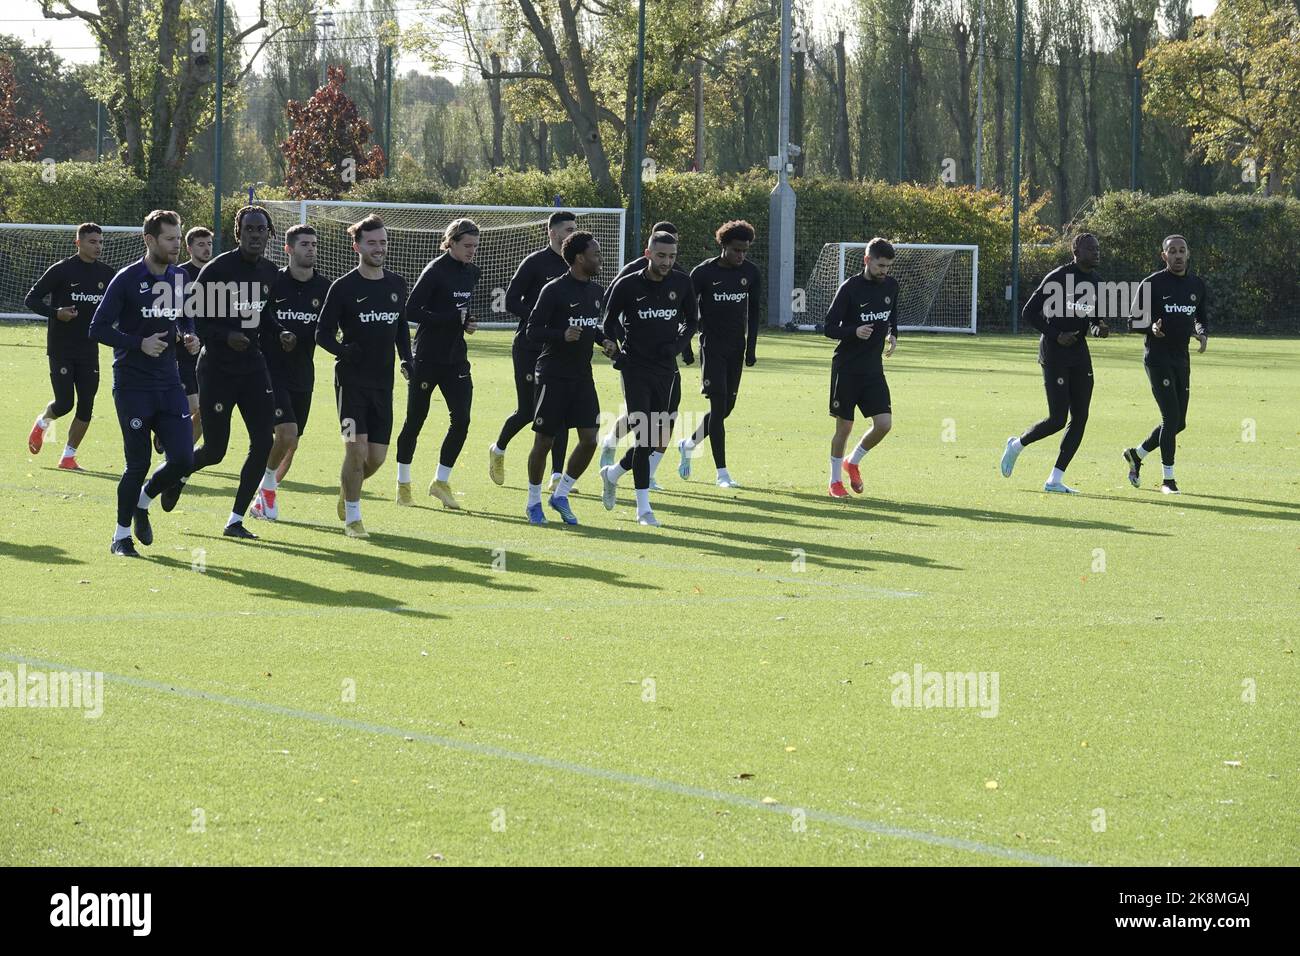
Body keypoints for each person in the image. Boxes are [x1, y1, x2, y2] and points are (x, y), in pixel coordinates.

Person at [157, 205, 296, 539]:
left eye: (261, 229)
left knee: (263, 442)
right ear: (238, 232)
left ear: (269, 234)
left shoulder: (269, 273)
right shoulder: (218, 269)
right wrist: (225, 335)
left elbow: (262, 315)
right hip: (217, 368)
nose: (255, 234)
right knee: (215, 451)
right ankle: (175, 474)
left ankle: (235, 520)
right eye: (249, 229)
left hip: (253, 368)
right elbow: (196, 319)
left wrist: (279, 332)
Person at [87, 210, 197, 556]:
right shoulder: (126, 279)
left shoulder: (179, 278)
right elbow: (98, 328)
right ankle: (121, 537)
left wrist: (189, 336)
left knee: (183, 460)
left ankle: (143, 501)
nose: (177, 245)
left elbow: (186, 318)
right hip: (133, 386)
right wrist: (139, 343)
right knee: (138, 462)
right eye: (170, 239)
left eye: (179, 238)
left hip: (169, 383)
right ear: (149, 241)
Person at [316, 215, 412, 538]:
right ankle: (353, 520)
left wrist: (407, 359)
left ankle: (347, 489)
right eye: (372, 242)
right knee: (355, 451)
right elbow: (322, 334)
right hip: (350, 384)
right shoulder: (342, 288)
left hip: (383, 385)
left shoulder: (397, 285)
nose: (379, 248)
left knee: (376, 458)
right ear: (357, 246)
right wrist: (344, 352)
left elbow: (400, 327)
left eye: (383, 242)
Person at [598, 231, 698, 526]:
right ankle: (643, 509)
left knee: (655, 438)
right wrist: (618, 355)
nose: (667, 261)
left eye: (672, 256)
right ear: (648, 253)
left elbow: (691, 321)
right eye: (661, 255)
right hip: (635, 369)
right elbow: (607, 323)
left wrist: (678, 346)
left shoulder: (682, 283)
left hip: (666, 370)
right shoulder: (627, 284)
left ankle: (613, 474)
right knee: (644, 435)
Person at [999, 233, 1109, 493]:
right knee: (1058, 419)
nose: (1096, 252)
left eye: (1098, 249)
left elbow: (1095, 321)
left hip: (1079, 354)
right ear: (1075, 251)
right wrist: (1056, 335)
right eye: (1090, 249)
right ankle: (1017, 445)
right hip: (1054, 353)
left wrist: (1099, 329)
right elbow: (1029, 312)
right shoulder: (1058, 277)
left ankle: (1055, 480)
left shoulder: (1097, 283)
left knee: (1080, 417)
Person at [522, 232, 618, 525]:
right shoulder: (553, 291)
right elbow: (532, 331)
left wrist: (604, 341)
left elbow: (592, 326)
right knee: (544, 442)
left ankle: (560, 494)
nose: (600, 259)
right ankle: (533, 501)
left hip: (582, 376)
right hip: (553, 375)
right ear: (579, 258)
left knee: (590, 440)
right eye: (596, 254)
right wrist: (560, 335)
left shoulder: (596, 291)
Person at [394, 218, 481, 510]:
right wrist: (449, 319)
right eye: (467, 245)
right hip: (427, 358)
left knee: (463, 419)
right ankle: (403, 484)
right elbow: (411, 310)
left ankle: (440, 482)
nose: (472, 251)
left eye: (475, 246)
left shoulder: (472, 272)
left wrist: (466, 323)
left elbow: (459, 311)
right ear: (451, 242)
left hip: (456, 358)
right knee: (415, 422)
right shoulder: (434, 271)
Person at [489, 210, 577, 488]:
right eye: (567, 230)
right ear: (552, 233)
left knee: (561, 412)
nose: (572, 234)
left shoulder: (576, 265)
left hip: (560, 349)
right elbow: (512, 300)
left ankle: (556, 475)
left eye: (575, 229)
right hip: (529, 346)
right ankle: (498, 449)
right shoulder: (535, 263)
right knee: (528, 411)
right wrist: (540, 318)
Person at [250, 224, 331, 520]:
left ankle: (264, 493)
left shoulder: (325, 288)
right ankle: (267, 492)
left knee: (291, 444)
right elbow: (256, 318)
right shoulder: (273, 282)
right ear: (289, 249)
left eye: (313, 244)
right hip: (270, 372)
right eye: (304, 244)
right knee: (286, 433)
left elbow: (330, 329)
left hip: (303, 374)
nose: (310, 249)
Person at [24, 222, 116, 471]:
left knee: (87, 404)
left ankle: (68, 457)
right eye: (92, 242)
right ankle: (43, 423)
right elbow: (31, 299)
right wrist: (56, 313)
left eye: (100, 242)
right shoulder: (62, 270)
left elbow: (120, 304)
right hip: (62, 348)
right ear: (78, 243)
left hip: (90, 349)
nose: (98, 246)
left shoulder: (107, 274)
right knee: (65, 404)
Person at [1122, 235, 1209, 495]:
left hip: (1181, 358)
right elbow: (1132, 322)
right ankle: (1168, 480)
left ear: (1188, 254)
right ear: (1164, 256)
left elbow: (1200, 316)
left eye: (1182, 250)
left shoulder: (1197, 284)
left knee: (1179, 423)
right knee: (1170, 417)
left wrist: (1201, 332)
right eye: (1172, 251)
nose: (1178, 255)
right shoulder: (1153, 284)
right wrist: (1151, 327)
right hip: (1157, 359)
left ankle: (1136, 455)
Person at [676, 220, 761, 488]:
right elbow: (685, 312)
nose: (741, 255)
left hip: (736, 347)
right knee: (717, 406)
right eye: (736, 250)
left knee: (726, 409)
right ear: (723, 246)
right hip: (711, 347)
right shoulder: (702, 273)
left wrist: (751, 348)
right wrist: (686, 346)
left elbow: (755, 312)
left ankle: (688, 444)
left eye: (745, 250)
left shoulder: (751, 272)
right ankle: (722, 473)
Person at [824, 237, 899, 498]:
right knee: (844, 428)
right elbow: (829, 328)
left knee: (884, 424)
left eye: (888, 266)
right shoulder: (850, 288)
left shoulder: (891, 285)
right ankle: (834, 481)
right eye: (880, 265)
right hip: (846, 368)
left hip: (873, 369)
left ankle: (852, 462)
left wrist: (893, 335)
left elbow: (891, 316)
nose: (884, 271)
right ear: (867, 260)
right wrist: (855, 330)